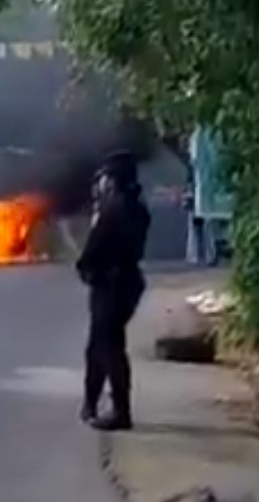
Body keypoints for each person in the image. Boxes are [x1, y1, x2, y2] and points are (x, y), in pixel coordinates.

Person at [76, 150, 151, 431]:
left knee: (109, 347)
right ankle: (90, 404)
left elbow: (94, 249)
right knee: (99, 345)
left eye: (105, 178)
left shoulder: (112, 209)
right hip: (127, 281)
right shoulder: (136, 207)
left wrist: (87, 268)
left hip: (111, 283)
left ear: (113, 180)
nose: (101, 183)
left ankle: (121, 411)